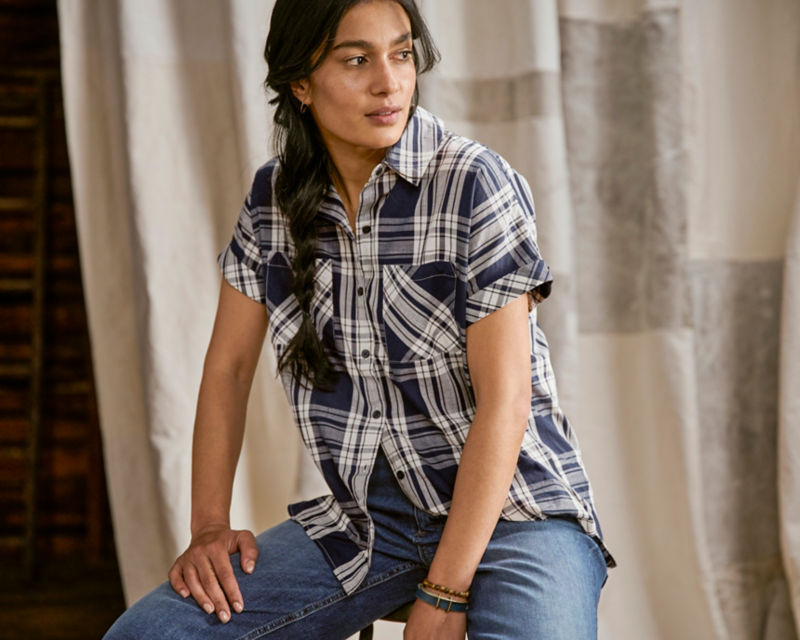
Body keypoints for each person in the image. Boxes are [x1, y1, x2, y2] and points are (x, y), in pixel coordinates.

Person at [104, 0, 615, 638]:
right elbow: (230, 368)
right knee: (149, 635)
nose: (389, 81)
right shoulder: (273, 201)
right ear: (300, 83)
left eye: (401, 54)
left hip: (518, 510)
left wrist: (446, 592)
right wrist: (208, 526)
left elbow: (506, 402)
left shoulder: (472, 183)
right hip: (371, 520)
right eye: (356, 60)